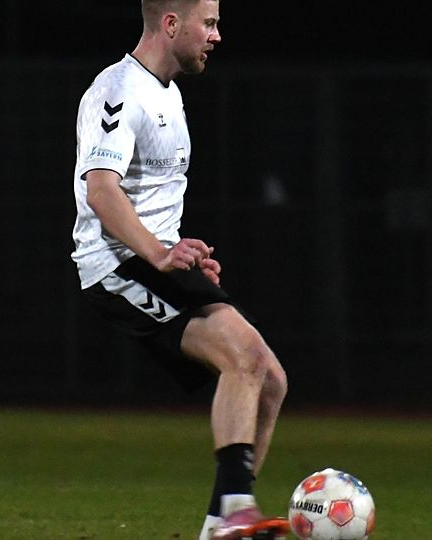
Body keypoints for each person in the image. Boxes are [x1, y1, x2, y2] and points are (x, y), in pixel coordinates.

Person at [69, 1, 289, 539]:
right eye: (209, 23)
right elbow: (102, 191)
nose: (217, 35)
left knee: (270, 381)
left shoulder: (167, 92)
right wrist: (160, 254)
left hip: (152, 260)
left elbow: (152, 200)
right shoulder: (117, 91)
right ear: (171, 24)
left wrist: (182, 255)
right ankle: (234, 510)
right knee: (245, 356)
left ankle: (222, 523)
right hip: (117, 265)